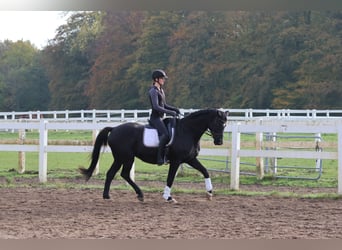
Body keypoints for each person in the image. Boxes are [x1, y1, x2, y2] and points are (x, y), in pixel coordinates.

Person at [148, 69, 180, 165]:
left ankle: (168, 154)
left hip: (161, 118)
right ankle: (159, 158)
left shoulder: (161, 90)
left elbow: (164, 105)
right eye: (162, 78)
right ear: (156, 79)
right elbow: (156, 107)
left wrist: (175, 109)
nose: (164, 80)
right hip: (155, 118)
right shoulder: (153, 91)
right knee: (165, 135)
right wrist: (170, 112)